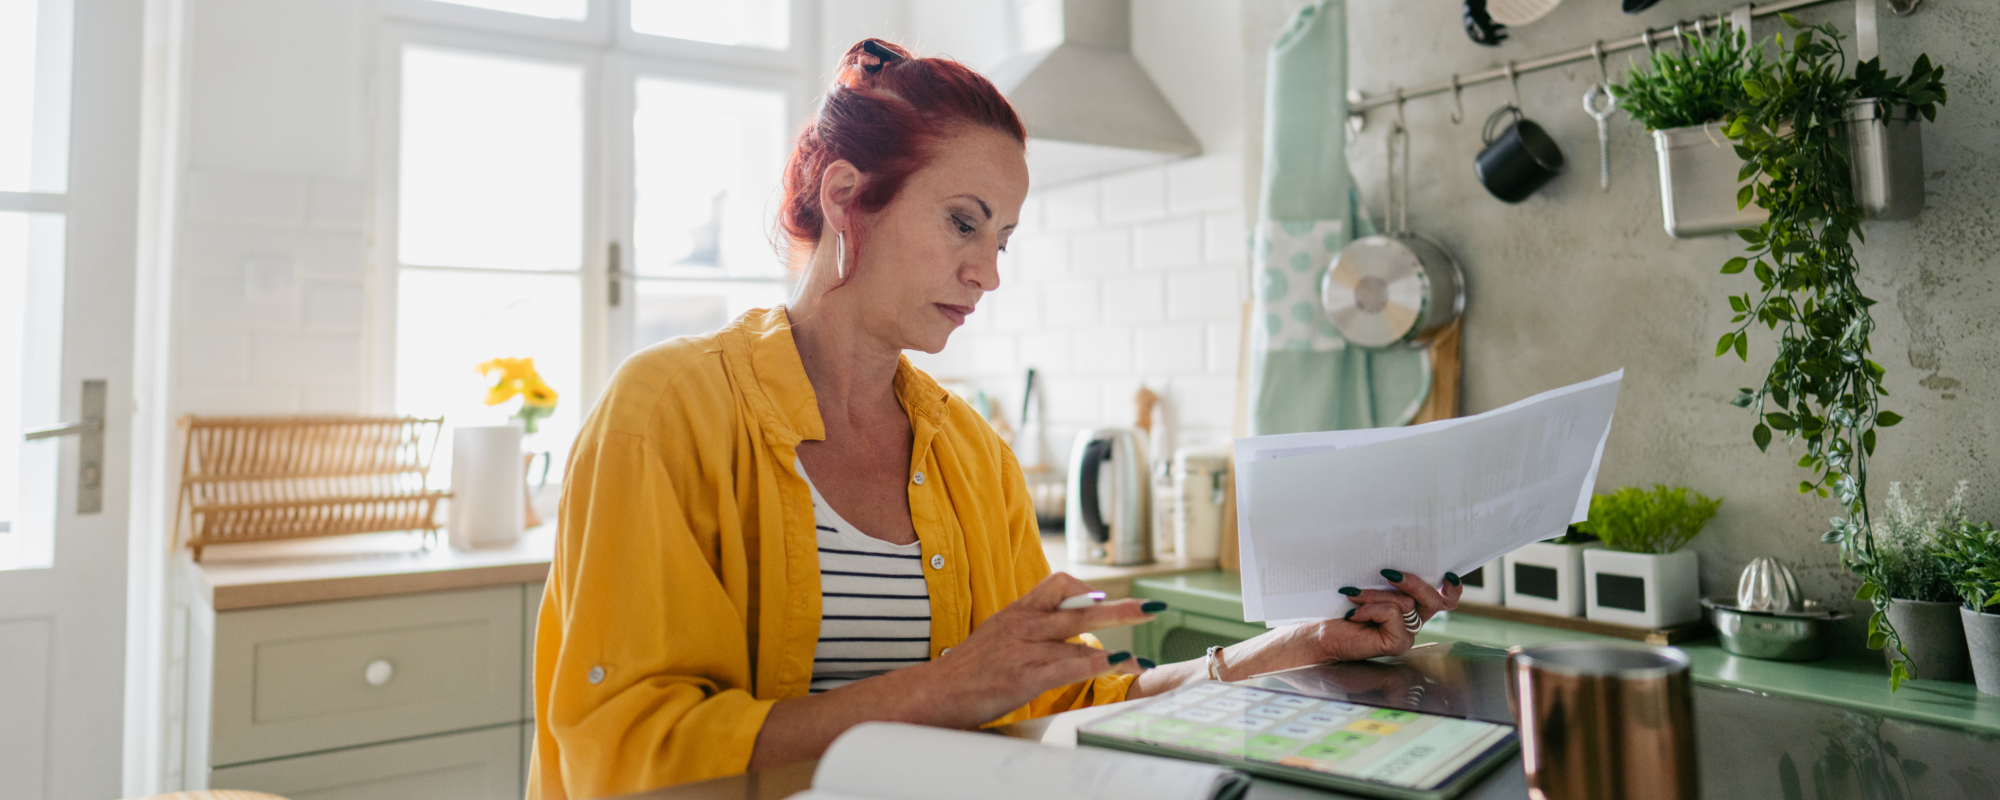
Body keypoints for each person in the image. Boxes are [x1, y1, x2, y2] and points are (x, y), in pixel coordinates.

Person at [526, 38, 1462, 800]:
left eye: (1003, 238)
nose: (989, 272)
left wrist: (1284, 649)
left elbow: (1070, 695)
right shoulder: (668, 409)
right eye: (964, 223)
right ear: (847, 198)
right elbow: (626, 749)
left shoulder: (967, 447)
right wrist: (936, 691)